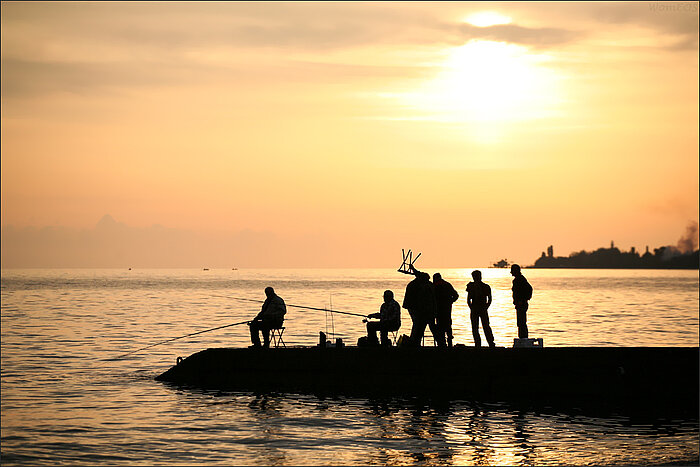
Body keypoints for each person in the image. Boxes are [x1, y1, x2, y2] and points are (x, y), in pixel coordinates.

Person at [402, 267, 444, 347]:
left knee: (420, 326)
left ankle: (415, 343)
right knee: (422, 326)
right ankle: (439, 343)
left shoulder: (421, 285)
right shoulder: (425, 285)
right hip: (423, 310)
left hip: (423, 310)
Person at [466, 270, 495, 348]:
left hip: (481, 308)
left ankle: (490, 343)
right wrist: (471, 307)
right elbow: (468, 299)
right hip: (476, 308)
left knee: (485, 326)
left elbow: (489, 298)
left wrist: (486, 307)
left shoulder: (485, 286)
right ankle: (478, 343)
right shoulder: (471, 286)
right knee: (476, 327)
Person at [433, 273, 459, 347]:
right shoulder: (447, 284)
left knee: (440, 326)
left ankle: (442, 343)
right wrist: (450, 301)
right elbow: (456, 295)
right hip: (447, 309)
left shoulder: (435, 286)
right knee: (448, 325)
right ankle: (450, 342)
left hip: (438, 309)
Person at [510, 264, 533, 339]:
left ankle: (523, 338)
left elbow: (529, 289)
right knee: (520, 322)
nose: (511, 273)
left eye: (513, 271)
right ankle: (522, 338)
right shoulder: (518, 279)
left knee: (521, 322)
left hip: (522, 304)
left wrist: (523, 300)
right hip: (520, 304)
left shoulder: (519, 280)